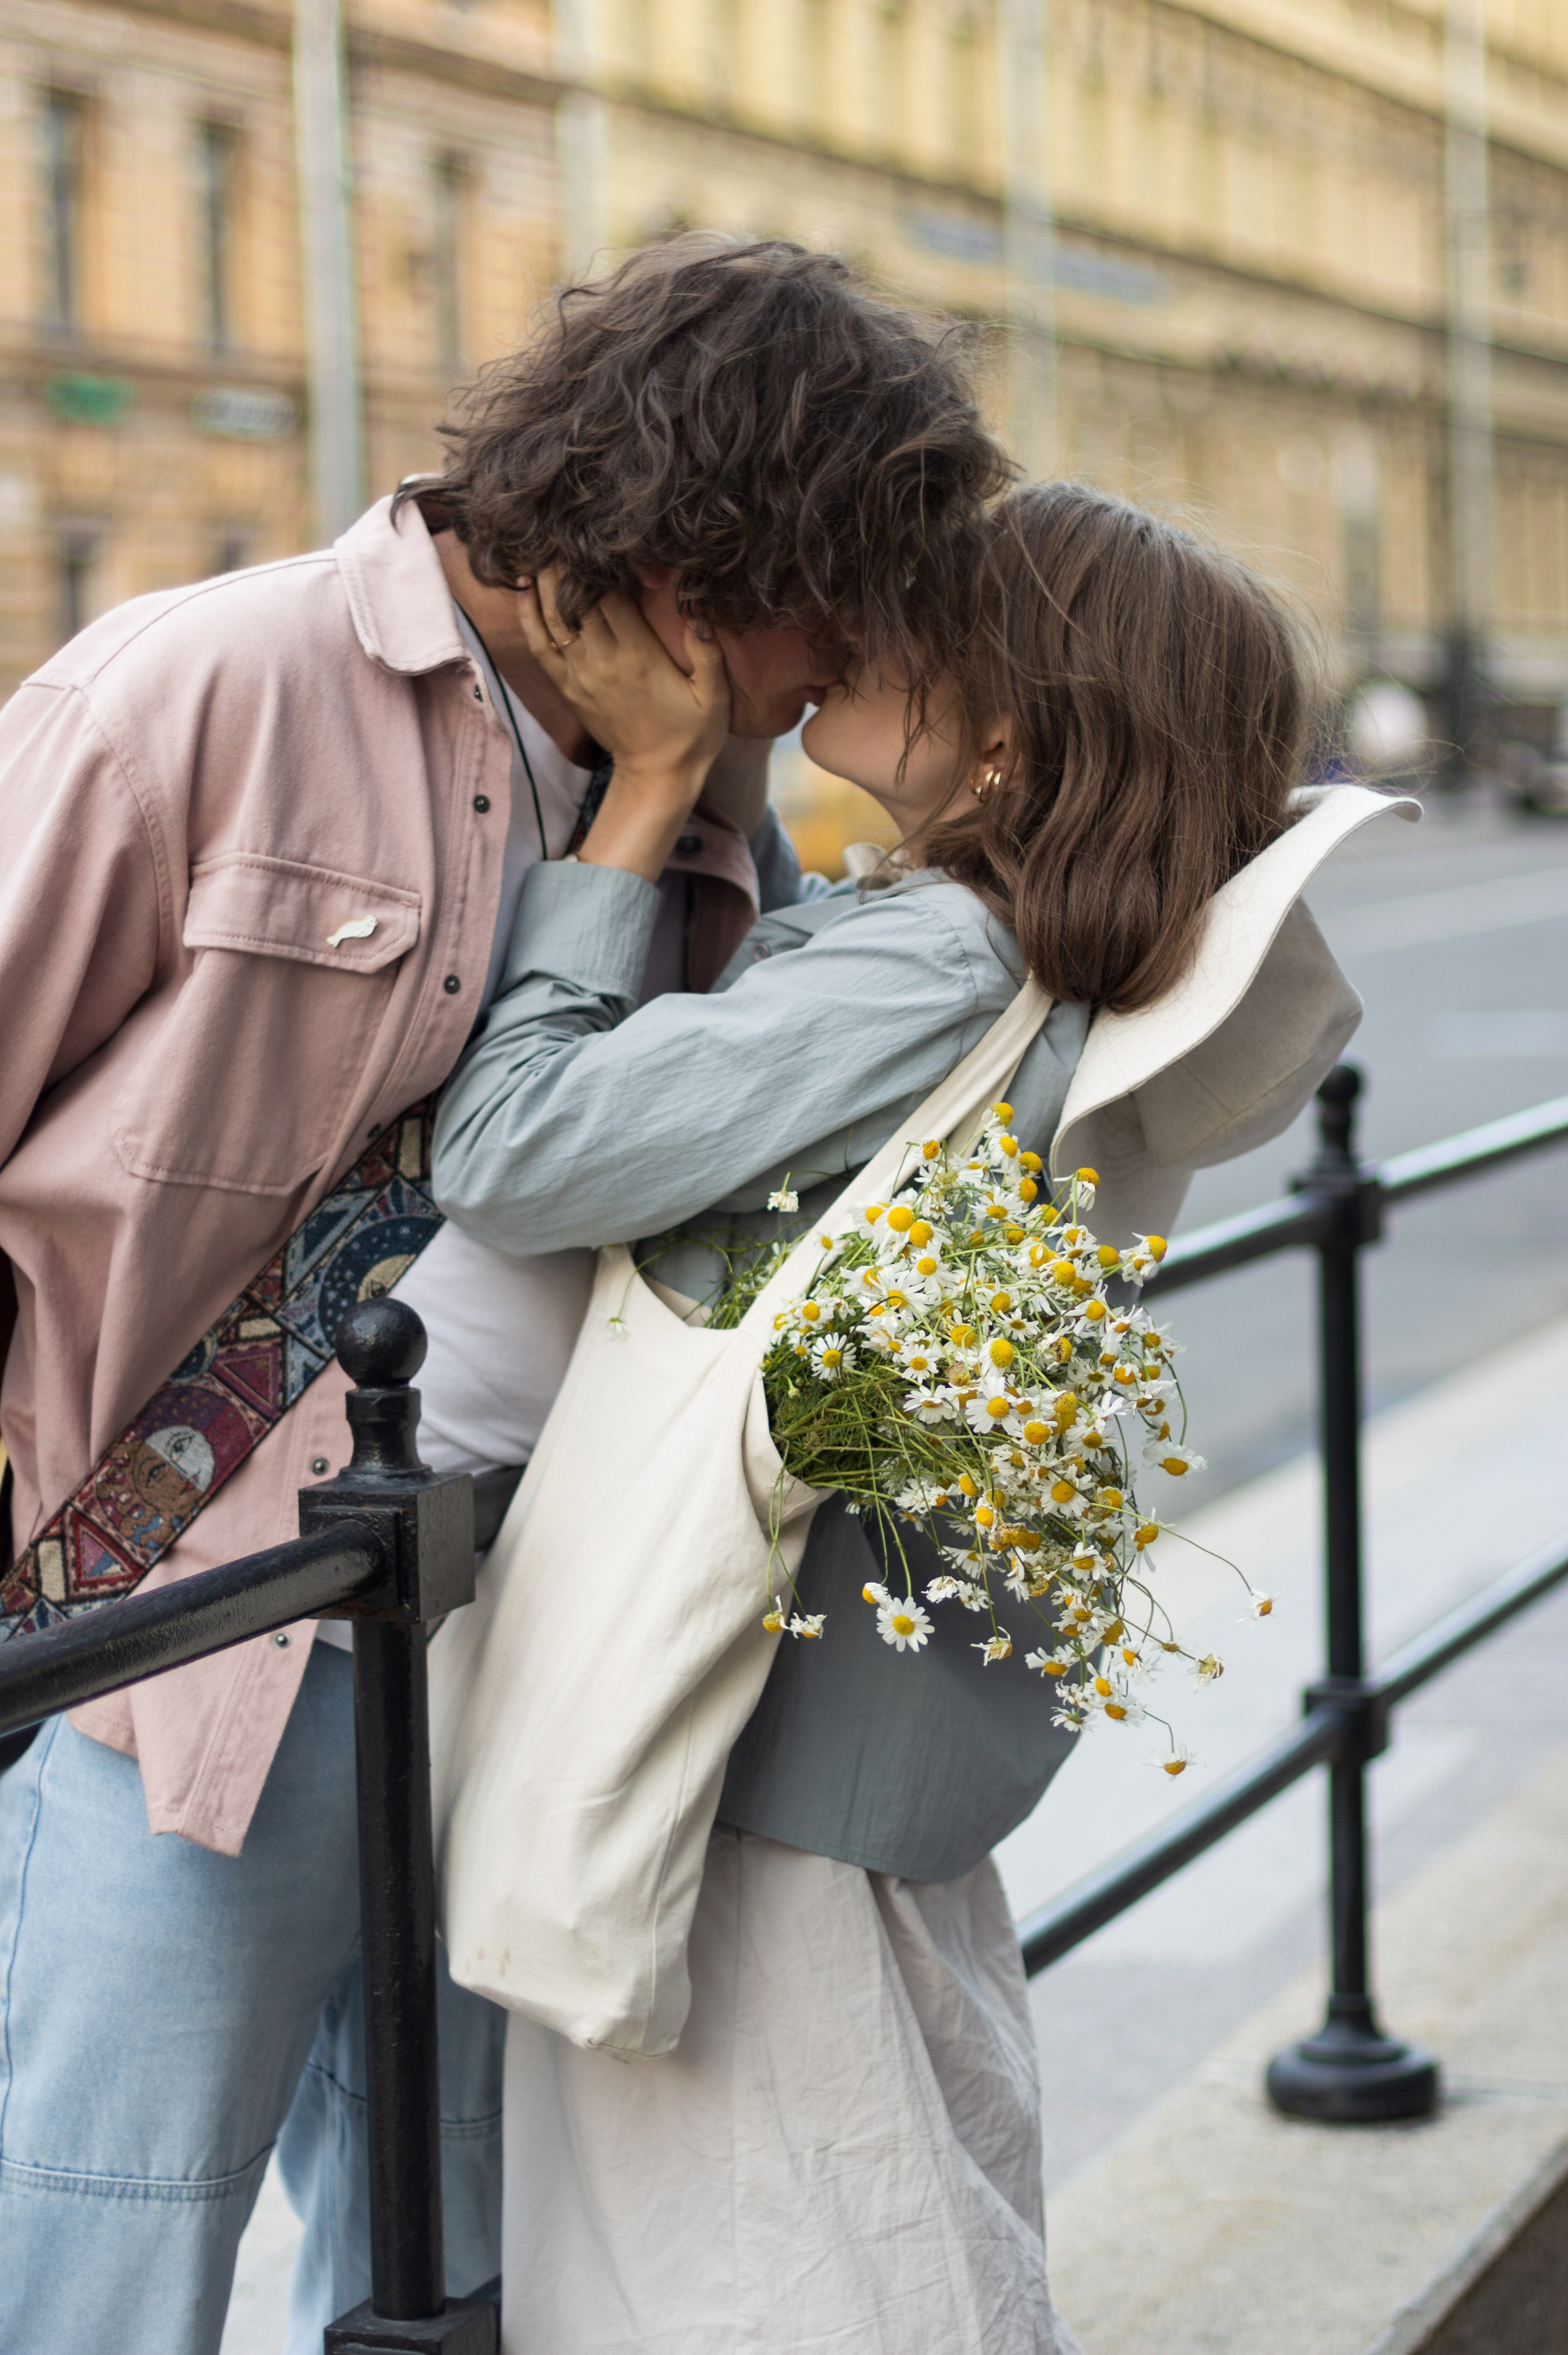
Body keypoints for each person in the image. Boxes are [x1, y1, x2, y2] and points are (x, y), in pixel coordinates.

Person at [0, 236, 1009, 2355]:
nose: (849, 672)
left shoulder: (723, 814)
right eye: (847, 598)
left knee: (457, 2245)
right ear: (714, 551)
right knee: (110, 2234)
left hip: (523, 1641)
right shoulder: (209, 687)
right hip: (180, 1644)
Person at [428, 481, 1383, 2353]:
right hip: (871, 1738)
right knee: (887, 2200)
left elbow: (514, 1147)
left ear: (1009, 734)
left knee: (777, 2258)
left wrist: (637, 801)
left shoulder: (938, 956)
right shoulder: (1039, 956)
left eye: (907, 619)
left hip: (751, 1733)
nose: (846, 628)